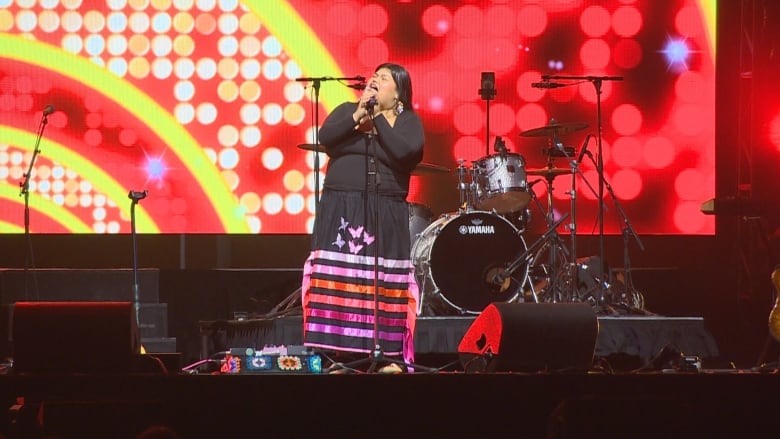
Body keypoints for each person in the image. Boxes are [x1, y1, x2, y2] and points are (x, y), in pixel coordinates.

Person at [301, 63, 424, 370]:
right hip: (340, 208)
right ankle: (335, 354)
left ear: (399, 93)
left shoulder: (407, 121)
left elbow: (404, 153)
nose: (374, 81)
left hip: (384, 210)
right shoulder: (348, 111)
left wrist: (377, 119)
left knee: (381, 282)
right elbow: (328, 137)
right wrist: (358, 114)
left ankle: (388, 355)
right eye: (374, 76)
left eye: (383, 79)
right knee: (339, 278)